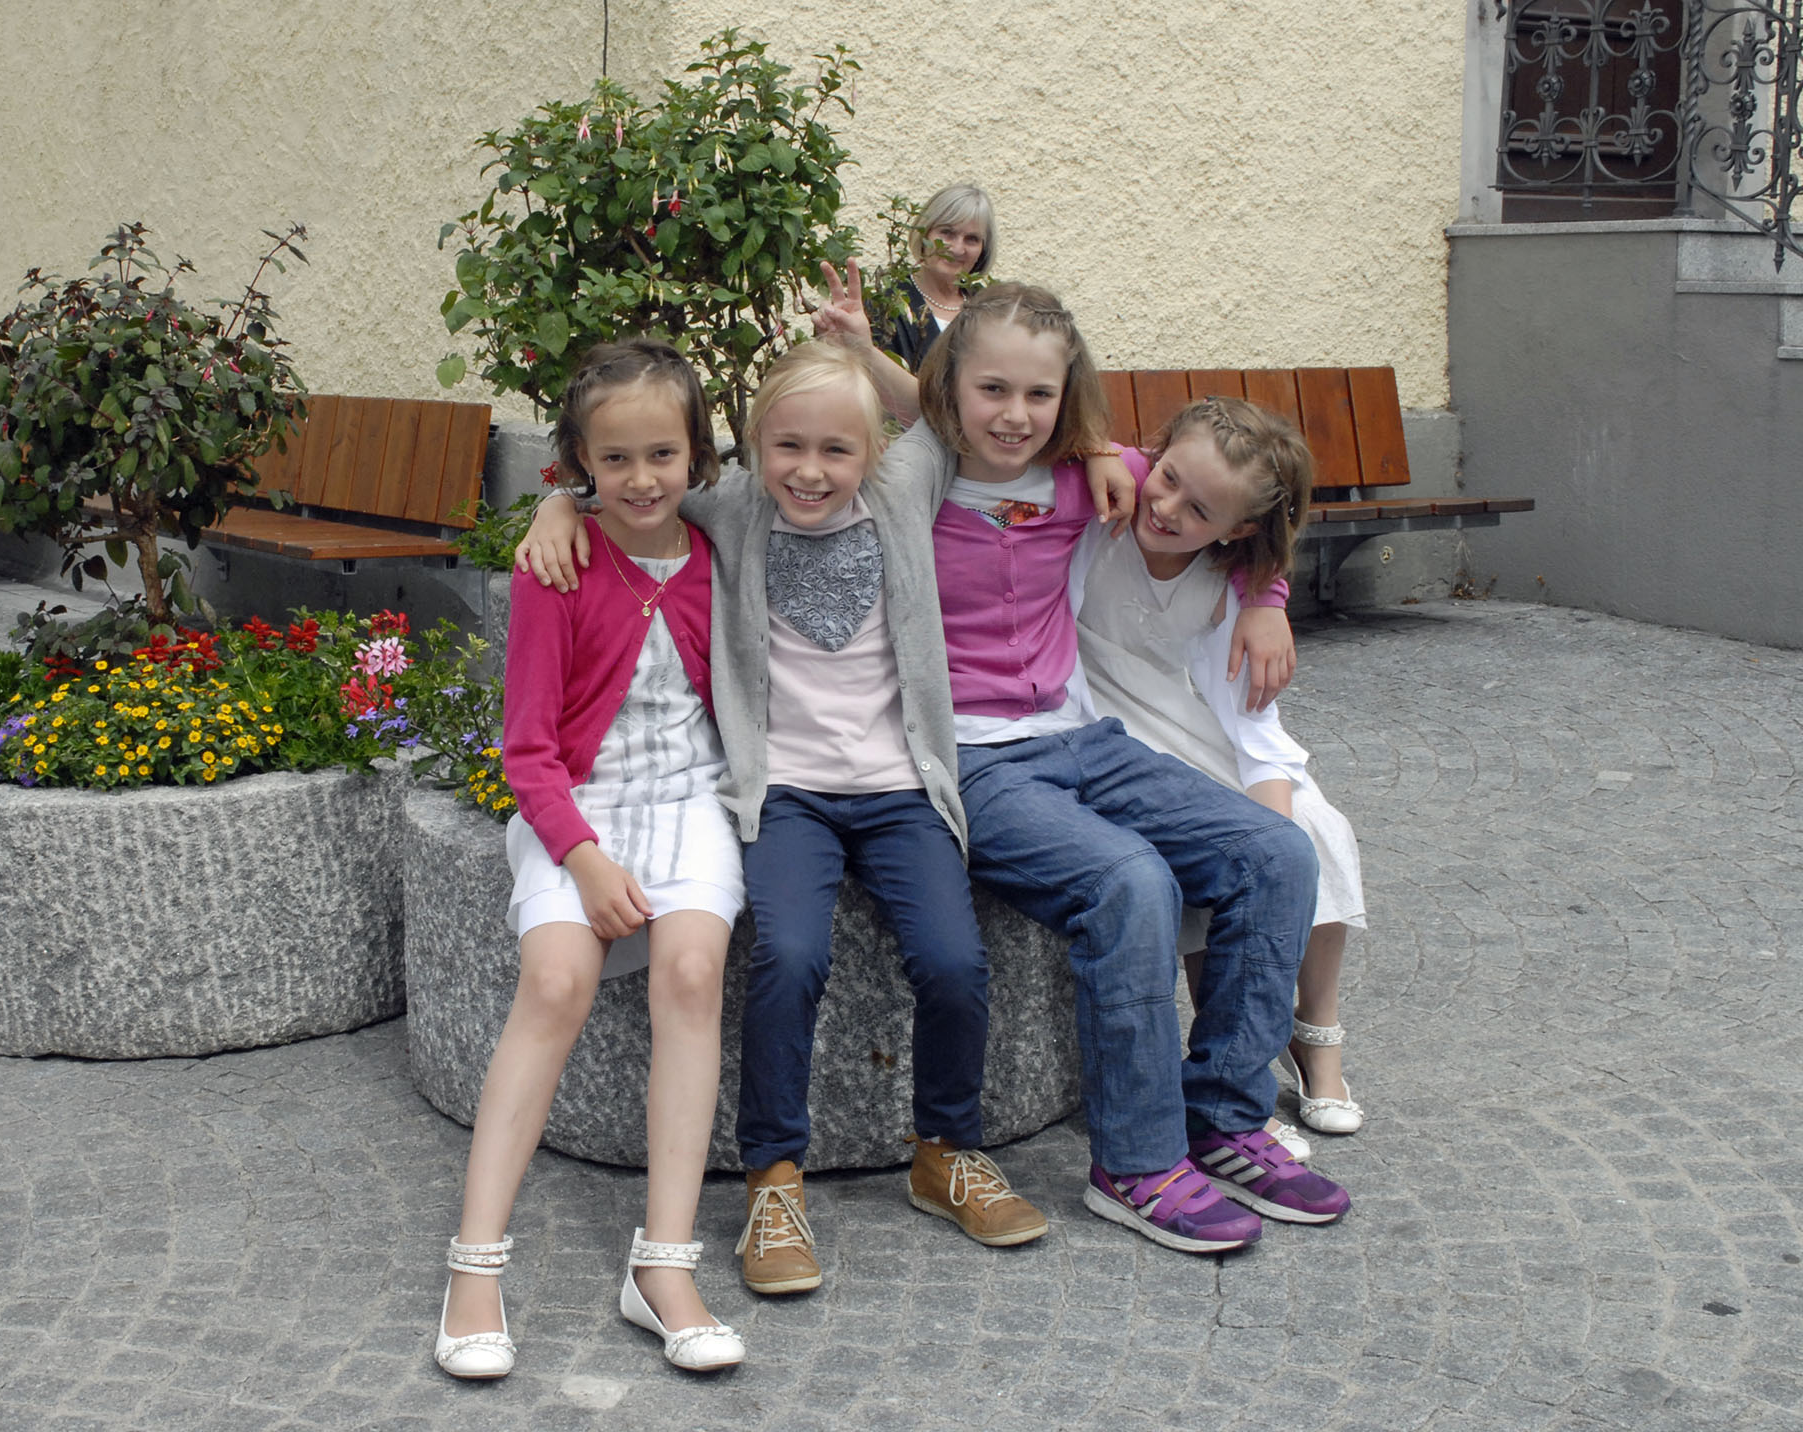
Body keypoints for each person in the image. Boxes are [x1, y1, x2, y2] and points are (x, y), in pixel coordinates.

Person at [516, 342, 1067, 1299]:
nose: (810, 471)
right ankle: (774, 1177)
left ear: (874, 452)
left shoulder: (900, 493)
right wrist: (556, 504)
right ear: (751, 447)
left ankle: (946, 1151)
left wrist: (863, 350)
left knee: (953, 959)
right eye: (788, 447)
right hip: (786, 796)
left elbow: (957, 414)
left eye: (836, 450)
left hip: (899, 792)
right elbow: (632, 484)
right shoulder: (732, 505)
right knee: (789, 956)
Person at [875, 281, 1351, 1253]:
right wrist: (569, 506)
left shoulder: (1087, 476)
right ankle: (1134, 1164)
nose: (1014, 414)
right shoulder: (909, 481)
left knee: (1278, 853)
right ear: (951, 384)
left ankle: (1221, 1119)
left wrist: (1266, 598)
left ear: (1068, 397)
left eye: (1037, 395)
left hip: (1083, 738)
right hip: (970, 760)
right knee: (1130, 881)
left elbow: (1241, 510)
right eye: (991, 390)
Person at [435, 339, 746, 1380]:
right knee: (556, 981)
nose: (642, 479)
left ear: (697, 455)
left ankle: (662, 1267)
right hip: (576, 803)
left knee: (691, 971)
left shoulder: (718, 549)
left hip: (692, 799)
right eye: (613, 460)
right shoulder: (554, 565)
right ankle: (474, 1266)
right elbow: (526, 752)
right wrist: (583, 859)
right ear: (578, 463)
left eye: (663, 454)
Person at [1071, 396, 1369, 1140]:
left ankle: (1315, 1034)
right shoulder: (1110, 501)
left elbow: (1251, 723)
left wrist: (1275, 835)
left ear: (1236, 530)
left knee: (1314, 829)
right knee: (1212, 855)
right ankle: (1239, 1056)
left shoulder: (1224, 583)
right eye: (1167, 478)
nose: (1167, 507)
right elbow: (1021, 434)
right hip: (1097, 723)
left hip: (1187, 726)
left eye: (1199, 509)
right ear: (1153, 455)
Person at [814, 183, 998, 426]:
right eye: (947, 233)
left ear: (983, 249)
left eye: (972, 239)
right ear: (924, 234)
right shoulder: (882, 307)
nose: (957, 248)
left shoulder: (994, 311)